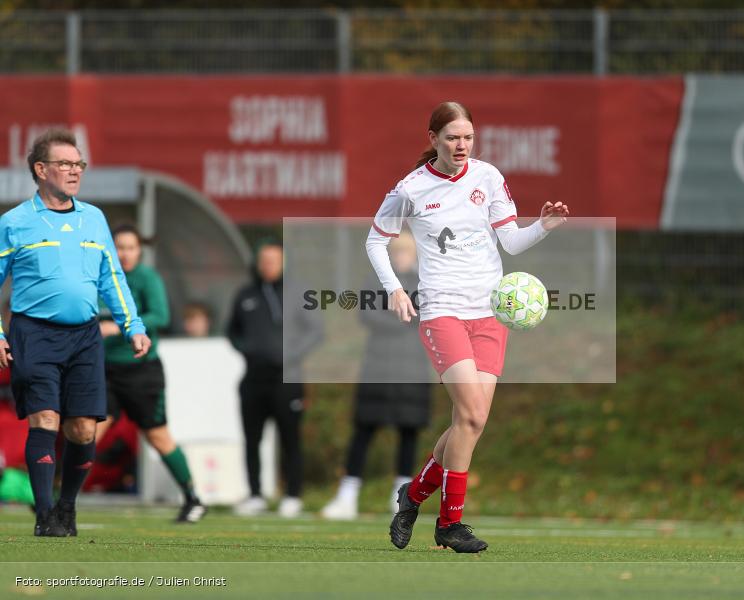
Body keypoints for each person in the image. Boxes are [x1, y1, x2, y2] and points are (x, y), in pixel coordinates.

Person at [366, 101, 568, 553]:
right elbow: (375, 240)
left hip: (490, 314)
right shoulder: (411, 188)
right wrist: (395, 289)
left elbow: (511, 241)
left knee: (468, 422)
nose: (462, 145)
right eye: (453, 137)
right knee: (472, 415)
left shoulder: (488, 177)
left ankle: (413, 495)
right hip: (443, 310)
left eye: (468, 137)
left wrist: (543, 226)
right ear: (433, 138)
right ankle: (449, 524)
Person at [0, 129, 150, 537]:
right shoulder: (14, 222)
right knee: (45, 419)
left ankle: (66, 508)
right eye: (65, 163)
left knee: (82, 429)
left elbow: (112, 278)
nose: (74, 171)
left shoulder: (94, 219)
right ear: (40, 169)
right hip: (33, 334)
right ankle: (44, 515)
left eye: (78, 164)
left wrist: (132, 325)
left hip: (84, 337)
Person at [94, 224, 206, 523]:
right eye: (120, 247)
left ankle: (193, 498)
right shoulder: (101, 276)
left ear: (139, 251)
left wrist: (119, 327)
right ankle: (61, 500)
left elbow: (161, 316)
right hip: (104, 370)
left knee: (158, 436)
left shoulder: (147, 278)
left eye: (131, 248)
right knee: (88, 432)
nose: (125, 254)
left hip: (141, 372)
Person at [321, 231, 433, 520]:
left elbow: (427, 314)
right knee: (364, 429)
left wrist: (400, 314)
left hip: (412, 369)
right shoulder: (377, 281)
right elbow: (367, 314)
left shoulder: (426, 282)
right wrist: (403, 318)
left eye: (406, 251)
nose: (401, 257)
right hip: (377, 367)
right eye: (397, 252)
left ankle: (401, 497)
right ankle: (347, 496)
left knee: (408, 431)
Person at [227, 239, 322, 518]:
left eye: (274, 261)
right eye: (264, 261)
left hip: (287, 380)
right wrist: (247, 349)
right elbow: (232, 331)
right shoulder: (245, 294)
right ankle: (255, 494)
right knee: (252, 439)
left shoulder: (298, 293)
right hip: (253, 379)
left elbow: (315, 331)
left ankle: (293, 495)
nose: (268, 266)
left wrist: (290, 355)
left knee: (290, 439)